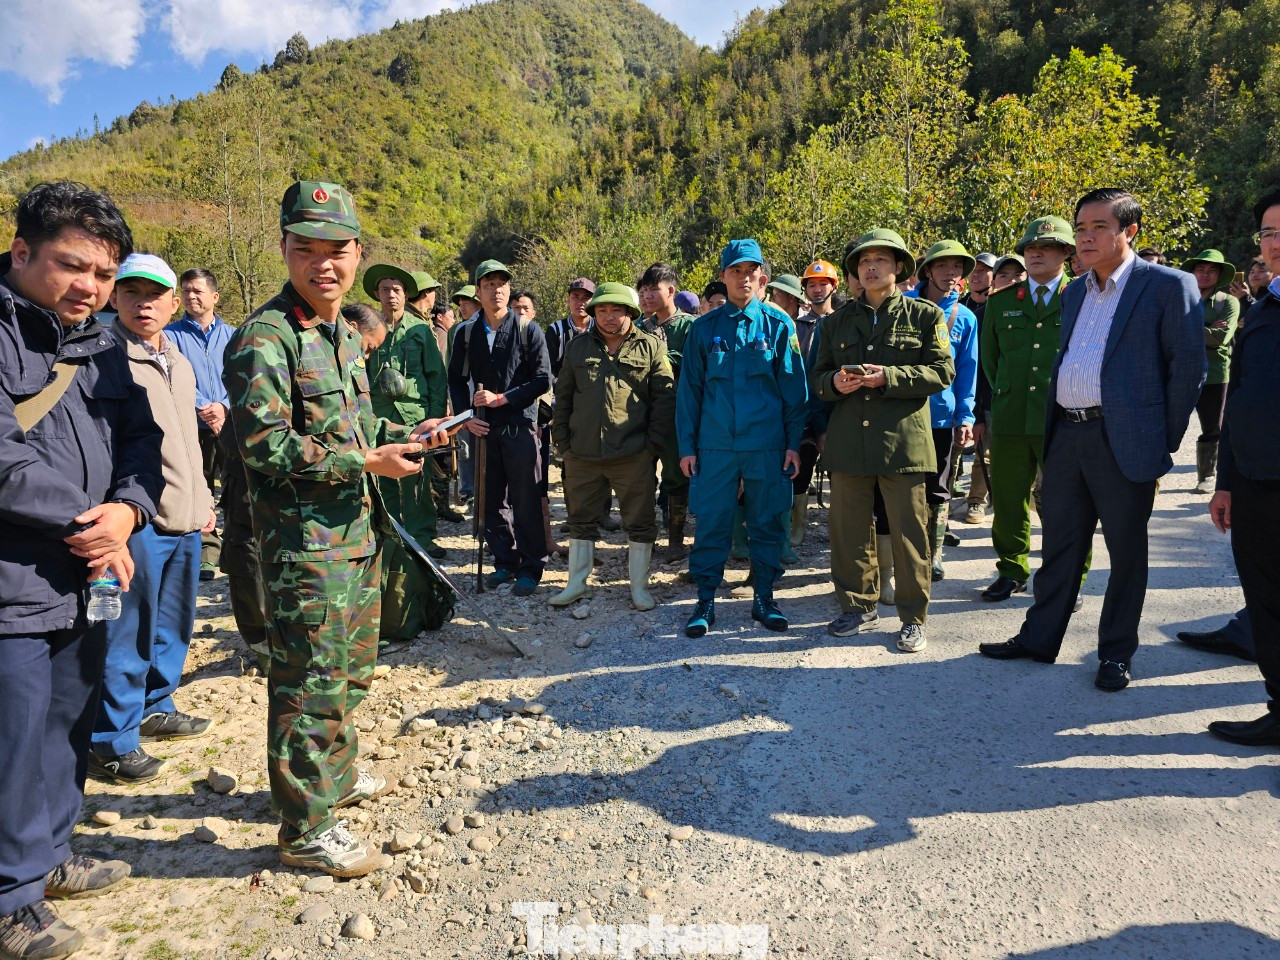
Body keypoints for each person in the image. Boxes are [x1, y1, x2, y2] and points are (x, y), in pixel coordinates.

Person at [223, 180, 449, 877]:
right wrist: (365, 461)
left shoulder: (343, 336)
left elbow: (354, 426)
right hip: (304, 547)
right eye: (307, 249)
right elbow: (263, 446)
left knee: (349, 673)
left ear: (358, 254)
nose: (324, 264)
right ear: (284, 249)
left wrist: (403, 437)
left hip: (355, 536)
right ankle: (304, 828)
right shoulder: (266, 338)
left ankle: (334, 779)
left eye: (338, 250)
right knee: (308, 681)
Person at [0, 181, 163, 959]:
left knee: (68, 723)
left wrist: (127, 512)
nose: (90, 287)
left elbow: (140, 440)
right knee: (13, 739)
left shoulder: (100, 342)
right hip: (13, 580)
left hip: (88, 577)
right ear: (21, 251)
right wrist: (89, 522)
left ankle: (49, 855)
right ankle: (10, 900)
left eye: (103, 274)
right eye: (73, 266)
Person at [979, 188, 1205, 691]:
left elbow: (1188, 369)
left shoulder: (1169, 286)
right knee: (1060, 545)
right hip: (1066, 433)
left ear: (1130, 231)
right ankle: (1039, 638)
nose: (1085, 237)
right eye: (1081, 228)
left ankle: (1116, 654)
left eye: (1099, 227)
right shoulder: (1076, 291)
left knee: (1126, 553)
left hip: (1124, 439)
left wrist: (1160, 440)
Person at [89, 253, 216, 784]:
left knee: (172, 625)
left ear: (172, 302)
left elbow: (188, 442)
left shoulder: (178, 361)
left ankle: (156, 706)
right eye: (132, 293)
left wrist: (204, 500)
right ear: (114, 298)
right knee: (125, 631)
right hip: (137, 521)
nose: (144, 304)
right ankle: (110, 741)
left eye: (155, 295)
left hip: (186, 516)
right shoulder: (102, 357)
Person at [811, 229, 954, 652]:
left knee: (910, 534)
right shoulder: (835, 322)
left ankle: (913, 618)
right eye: (864, 261)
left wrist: (888, 377)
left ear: (899, 268)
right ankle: (857, 607)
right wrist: (834, 383)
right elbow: (817, 379)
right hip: (849, 444)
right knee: (848, 532)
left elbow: (942, 372)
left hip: (902, 444)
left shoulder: (925, 316)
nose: (871, 267)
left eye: (881, 260)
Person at [678, 239, 807, 637]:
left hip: (767, 445)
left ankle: (764, 597)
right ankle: (705, 600)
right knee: (711, 523)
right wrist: (686, 447)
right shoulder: (703, 329)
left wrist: (793, 443)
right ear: (723, 276)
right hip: (715, 446)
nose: (743, 278)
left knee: (767, 522)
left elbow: (795, 392)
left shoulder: (779, 325)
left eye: (751, 271)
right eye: (735, 270)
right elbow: (689, 393)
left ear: (762, 278)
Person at [1205, 187, 1280, 748]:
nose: (1275, 244)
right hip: (1254, 484)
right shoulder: (1263, 308)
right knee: (1266, 602)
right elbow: (1241, 404)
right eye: (1269, 233)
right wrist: (1225, 483)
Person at [979, 216, 1085, 603]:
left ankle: (1068, 577)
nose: (1036, 253)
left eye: (1047, 247)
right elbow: (991, 362)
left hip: (1061, 418)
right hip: (1010, 416)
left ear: (1066, 253)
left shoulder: (1083, 296)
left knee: (1066, 503)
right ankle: (1012, 570)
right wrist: (1009, 393)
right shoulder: (1002, 302)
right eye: (1030, 248)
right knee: (1009, 500)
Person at [549, 283, 674, 610]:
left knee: (640, 520)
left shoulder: (651, 347)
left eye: (616, 310)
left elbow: (664, 400)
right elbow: (563, 398)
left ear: (630, 312)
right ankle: (577, 584)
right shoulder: (577, 347)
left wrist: (651, 448)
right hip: (582, 454)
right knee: (580, 519)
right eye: (602, 310)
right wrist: (564, 443)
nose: (608, 316)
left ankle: (639, 588)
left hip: (633, 453)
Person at [448, 259, 553, 596]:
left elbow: (543, 379)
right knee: (491, 499)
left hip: (520, 427)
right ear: (478, 292)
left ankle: (531, 567)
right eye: (489, 284)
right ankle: (504, 561)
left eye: (502, 284)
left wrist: (503, 399)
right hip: (483, 429)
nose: (497, 290)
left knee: (525, 498)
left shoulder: (528, 330)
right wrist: (467, 417)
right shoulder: (466, 333)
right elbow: (456, 379)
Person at [909, 240, 978, 581]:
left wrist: (965, 416)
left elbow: (968, 370)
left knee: (938, 487)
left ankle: (933, 554)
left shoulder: (964, 317)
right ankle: (905, 551)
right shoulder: (903, 306)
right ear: (928, 271)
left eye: (957, 267)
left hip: (940, 417)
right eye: (943, 265)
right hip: (904, 415)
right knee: (903, 487)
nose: (951, 273)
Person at [167, 268, 234, 580]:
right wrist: (204, 407)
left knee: (235, 487)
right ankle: (207, 552)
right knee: (200, 488)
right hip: (191, 426)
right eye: (186, 291)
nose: (191, 296)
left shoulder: (234, 335)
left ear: (215, 297)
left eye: (197, 290)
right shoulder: (170, 336)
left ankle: (235, 549)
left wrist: (224, 406)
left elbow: (244, 376)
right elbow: (170, 374)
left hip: (231, 426)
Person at [637, 263, 695, 561]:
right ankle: (643, 539)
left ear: (670, 290)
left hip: (676, 413)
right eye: (643, 291)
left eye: (653, 290)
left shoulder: (689, 326)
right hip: (642, 414)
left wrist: (660, 353)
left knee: (676, 476)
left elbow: (693, 364)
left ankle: (675, 540)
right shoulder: (637, 326)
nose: (646, 296)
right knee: (640, 477)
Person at [791, 259, 841, 550]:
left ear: (834, 287)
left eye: (823, 284)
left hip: (833, 409)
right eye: (812, 284)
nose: (818, 289)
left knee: (840, 473)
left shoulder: (842, 323)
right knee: (800, 469)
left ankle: (840, 528)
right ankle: (796, 527)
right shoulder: (796, 326)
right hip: (802, 408)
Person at [1182, 250, 1240, 494]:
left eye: (1212, 270)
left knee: (1213, 427)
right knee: (1164, 423)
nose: (1205, 274)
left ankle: (1207, 475)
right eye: (1201, 269)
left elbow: (1220, 338)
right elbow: (1166, 330)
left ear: (1219, 275)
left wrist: (1186, 328)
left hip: (1215, 374)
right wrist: (1206, 328)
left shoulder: (1227, 302)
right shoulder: (1179, 298)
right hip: (1180, 371)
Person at [959, 252, 997, 525]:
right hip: (963, 388)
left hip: (990, 390)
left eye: (984, 270)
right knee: (975, 452)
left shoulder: (998, 307)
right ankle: (975, 499)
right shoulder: (960, 307)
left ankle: (985, 498)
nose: (977, 275)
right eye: (974, 270)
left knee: (990, 452)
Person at [545, 278, 595, 377]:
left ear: (593, 301)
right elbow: (548, 367)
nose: (580, 302)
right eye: (575, 297)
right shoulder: (556, 330)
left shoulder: (601, 328)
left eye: (585, 298)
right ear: (568, 299)